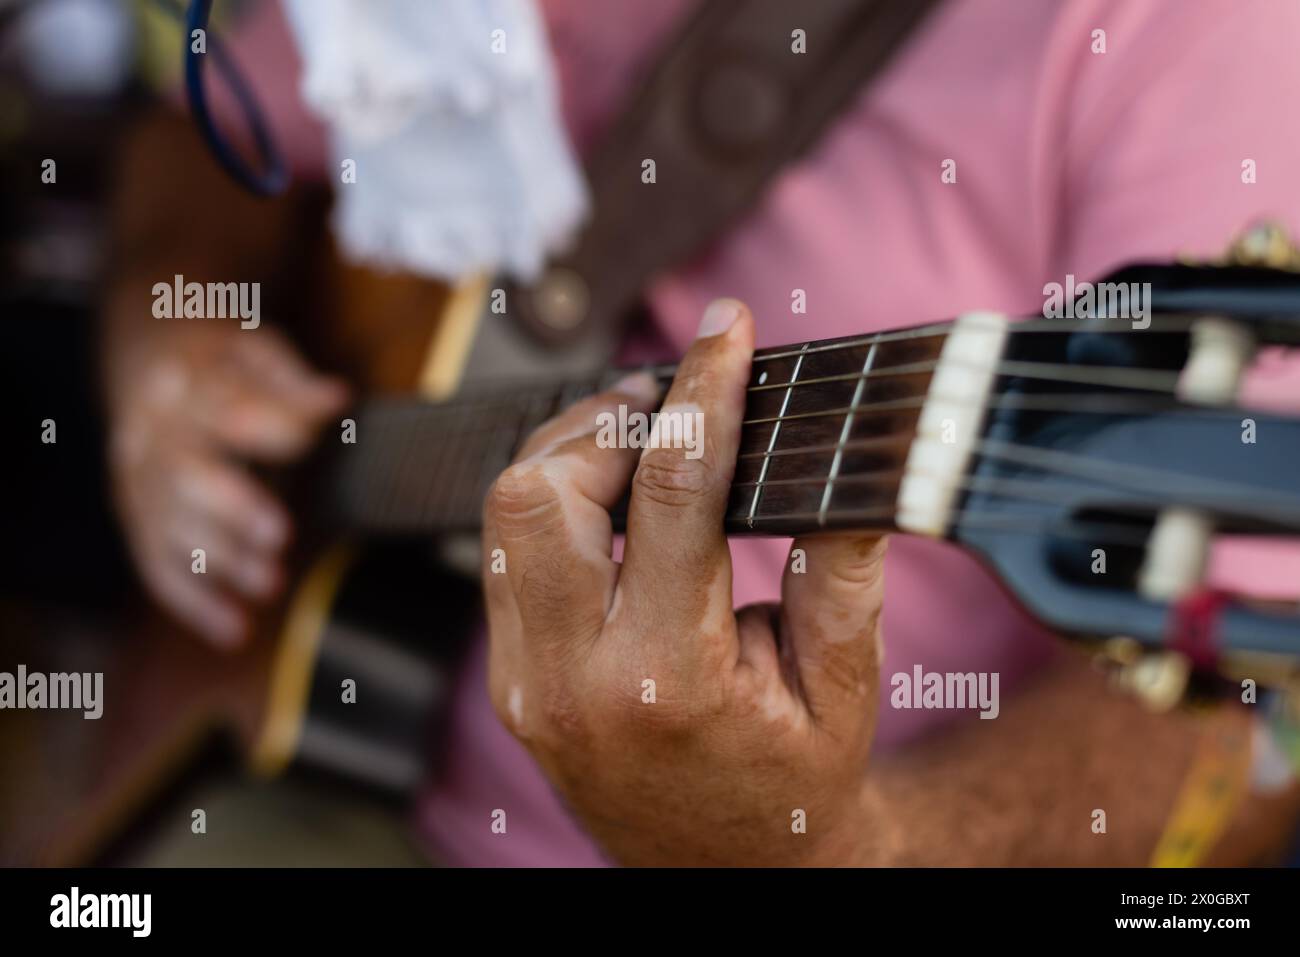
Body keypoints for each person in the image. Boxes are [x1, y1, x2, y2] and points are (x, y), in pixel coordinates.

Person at [104, 0, 1300, 866]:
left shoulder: (1210, 41)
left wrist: (841, 851)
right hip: (306, 765)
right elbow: (208, 133)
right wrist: (164, 330)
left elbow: (1244, 732)